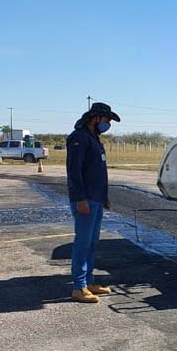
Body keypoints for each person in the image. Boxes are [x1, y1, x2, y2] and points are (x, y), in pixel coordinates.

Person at [66, 102, 121, 303]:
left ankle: (89, 282)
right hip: (85, 200)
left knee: (91, 243)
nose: (108, 125)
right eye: (107, 121)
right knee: (82, 243)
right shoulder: (79, 138)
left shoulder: (94, 139)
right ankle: (79, 287)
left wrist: (104, 198)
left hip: (96, 199)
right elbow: (74, 172)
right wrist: (80, 199)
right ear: (96, 118)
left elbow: (100, 172)